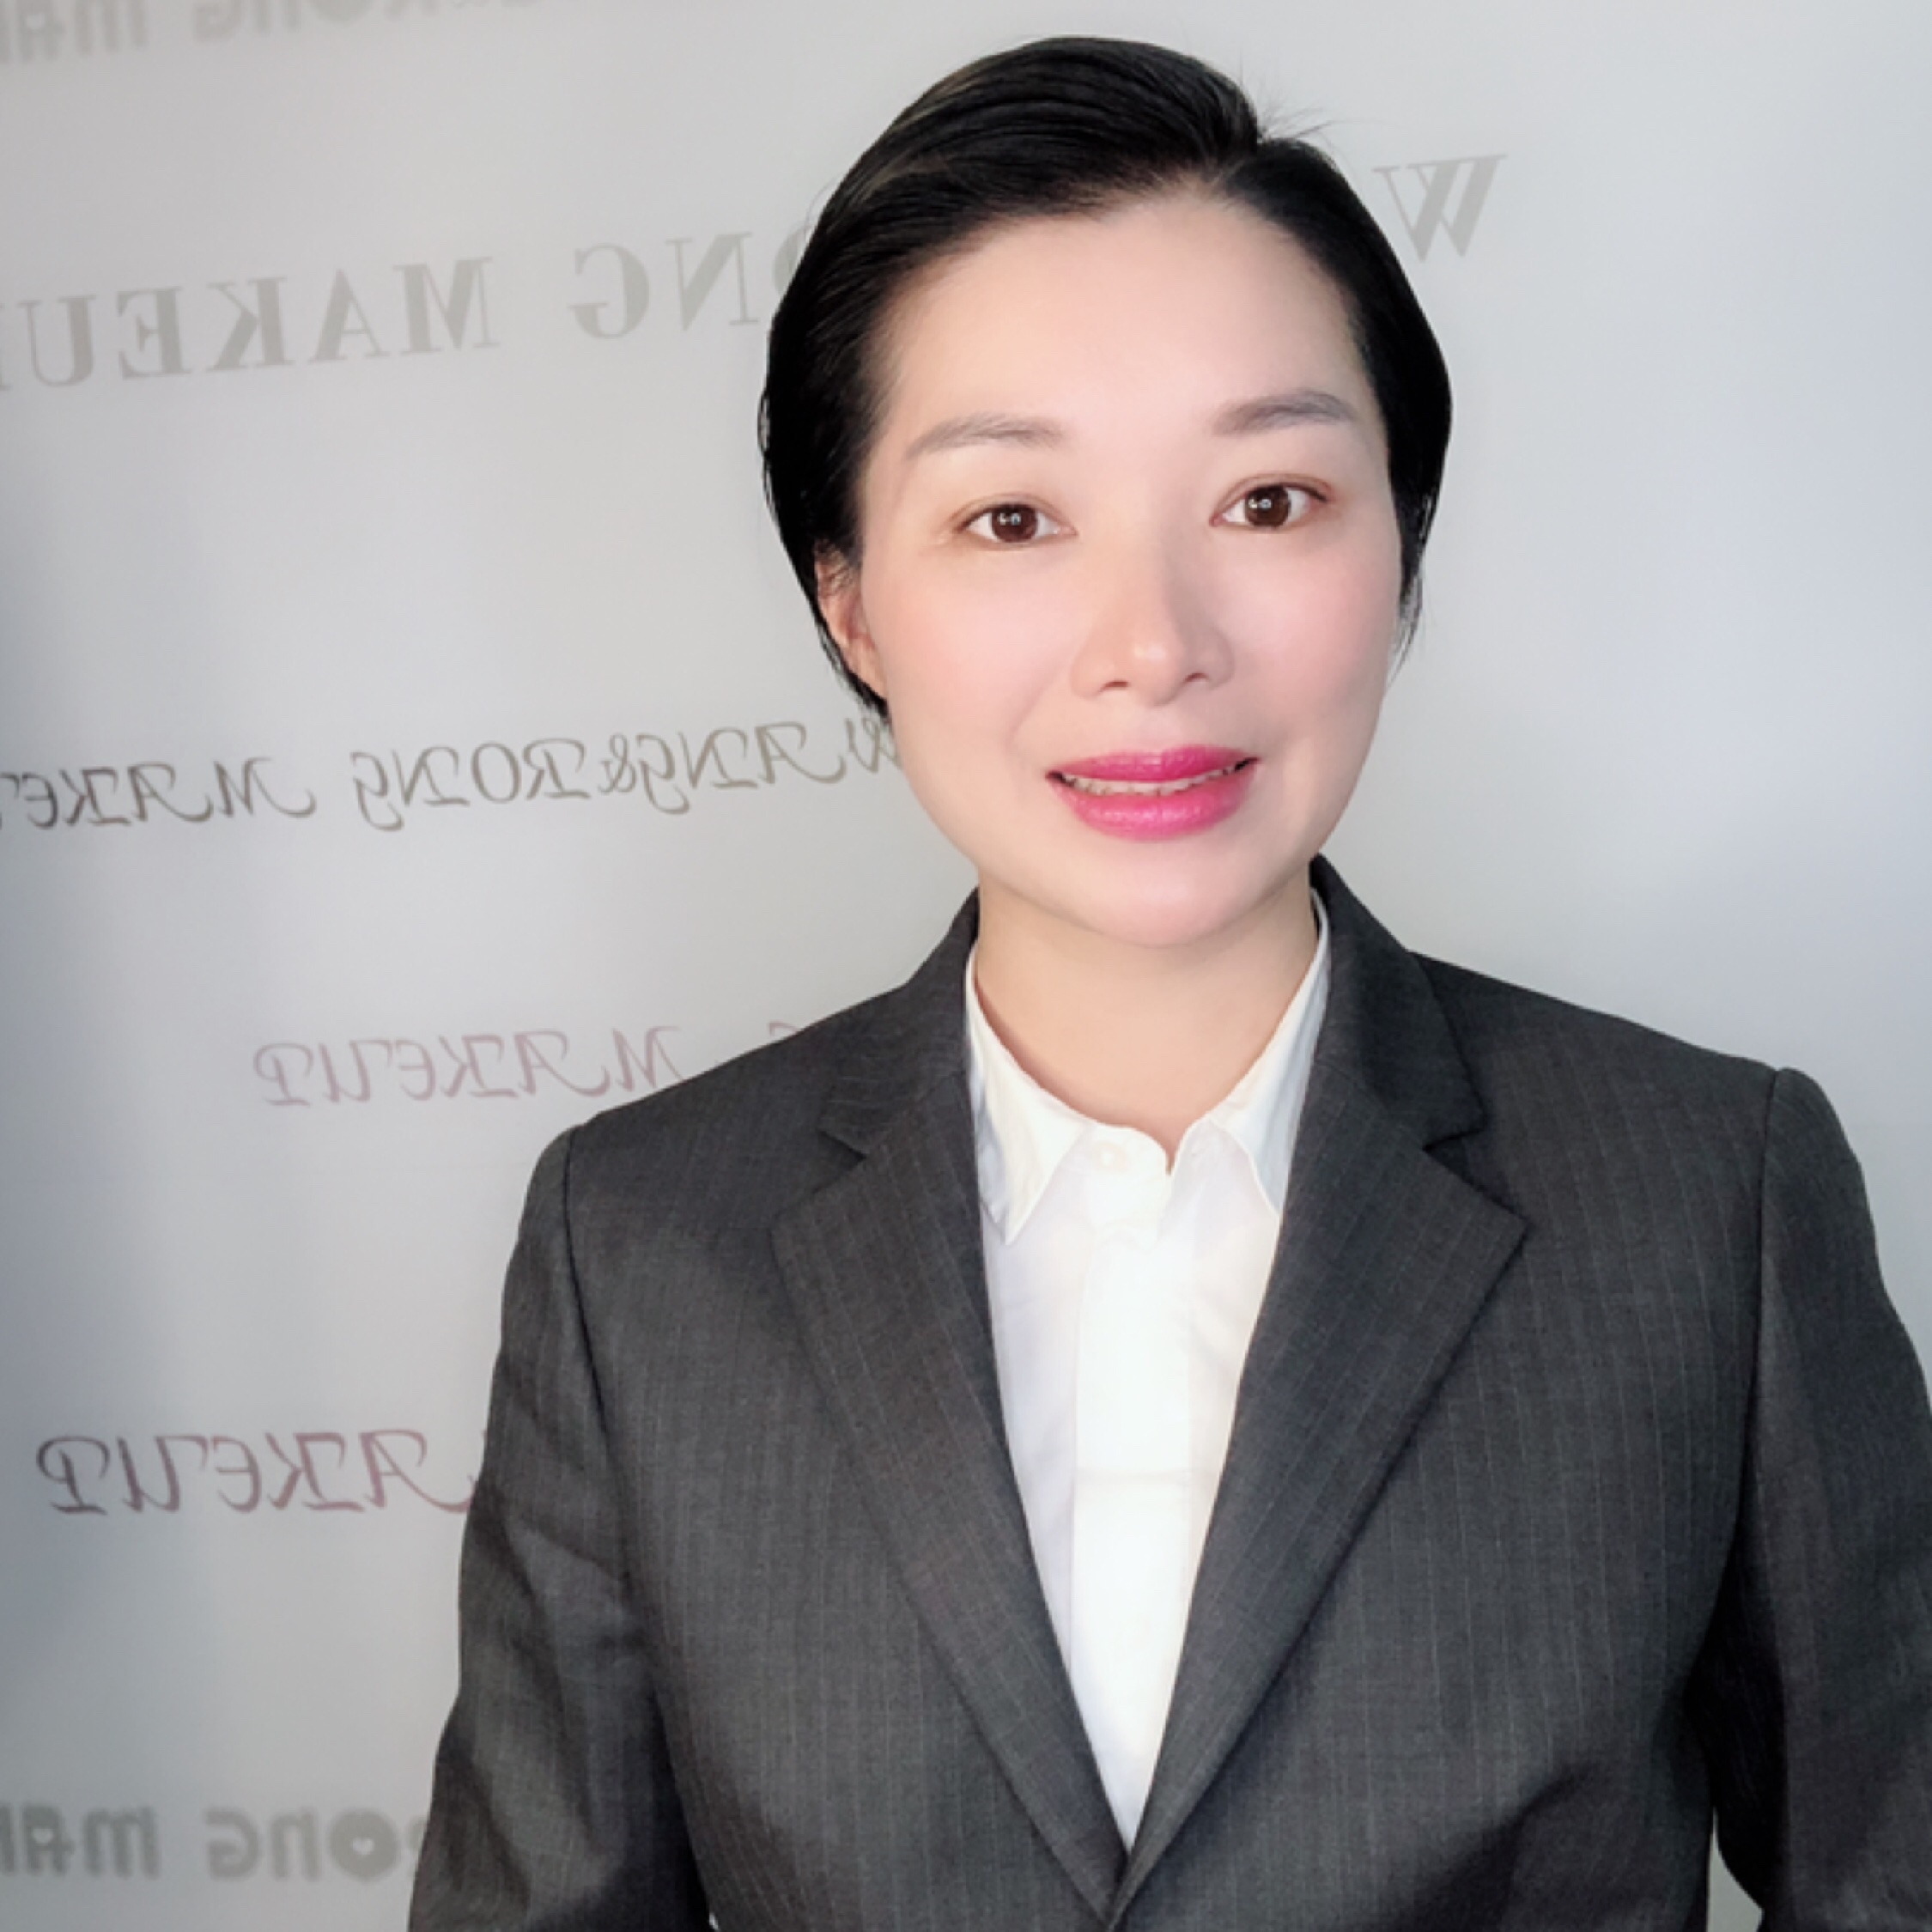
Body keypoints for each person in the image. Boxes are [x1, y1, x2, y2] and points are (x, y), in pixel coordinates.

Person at [410, 37, 1932, 1929]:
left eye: (1269, 501)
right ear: (849, 599)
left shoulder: (1710, 1195)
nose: (1153, 644)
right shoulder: (637, 1245)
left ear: (1402, 541)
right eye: (1012, 518)